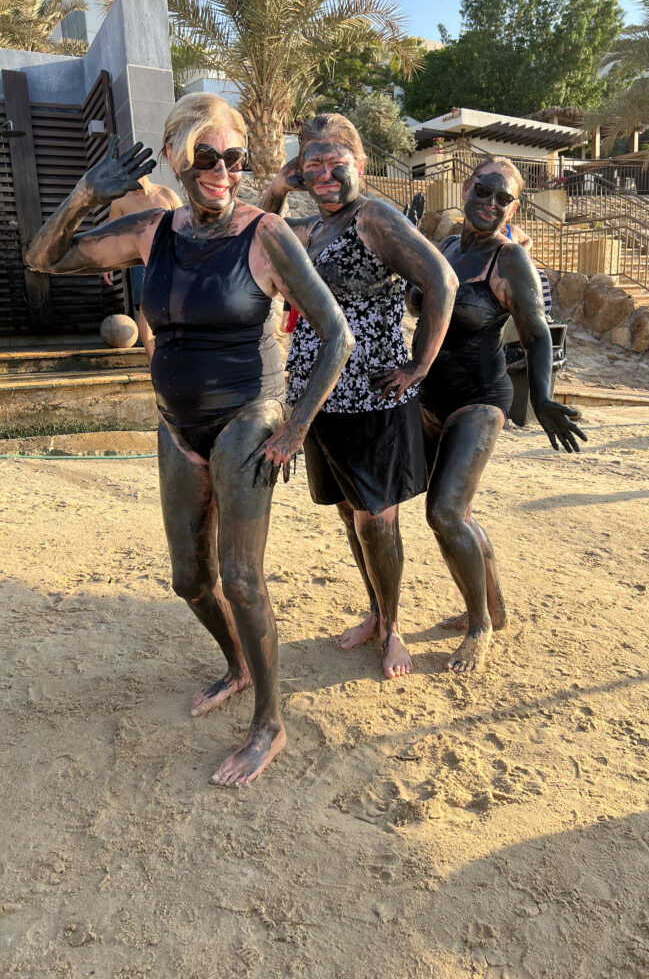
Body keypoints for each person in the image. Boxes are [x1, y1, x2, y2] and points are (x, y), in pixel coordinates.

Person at [26, 94, 354, 786]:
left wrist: (295, 428)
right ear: (179, 158)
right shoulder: (154, 231)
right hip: (178, 425)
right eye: (207, 156)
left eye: (234, 158)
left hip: (248, 416)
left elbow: (336, 334)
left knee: (241, 578)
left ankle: (270, 722)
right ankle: (237, 665)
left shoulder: (267, 235)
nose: (223, 171)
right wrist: (88, 191)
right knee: (189, 580)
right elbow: (43, 258)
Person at [260, 114, 458, 680]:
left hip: (373, 399)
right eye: (312, 165)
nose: (324, 174)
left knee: (379, 520)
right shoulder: (313, 229)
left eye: (335, 163)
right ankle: (375, 611)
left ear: (360, 165)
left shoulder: (372, 216)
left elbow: (441, 280)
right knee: (350, 515)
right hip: (318, 402)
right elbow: (263, 236)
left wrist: (418, 364)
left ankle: (393, 628)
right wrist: (276, 187)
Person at [408, 157, 587, 673]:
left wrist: (545, 397)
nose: (489, 203)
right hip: (428, 398)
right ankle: (496, 608)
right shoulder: (444, 247)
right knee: (445, 511)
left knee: (444, 512)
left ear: (514, 206)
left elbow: (536, 336)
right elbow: (418, 298)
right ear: (466, 188)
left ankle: (479, 624)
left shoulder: (509, 262)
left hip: (480, 401)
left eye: (502, 198)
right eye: (483, 191)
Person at [100, 174, 182, 357]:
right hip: (142, 261)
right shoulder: (121, 202)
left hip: (171, 259)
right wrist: (108, 265)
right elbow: (111, 235)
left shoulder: (167, 195)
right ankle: (153, 363)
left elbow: (186, 228)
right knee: (147, 309)